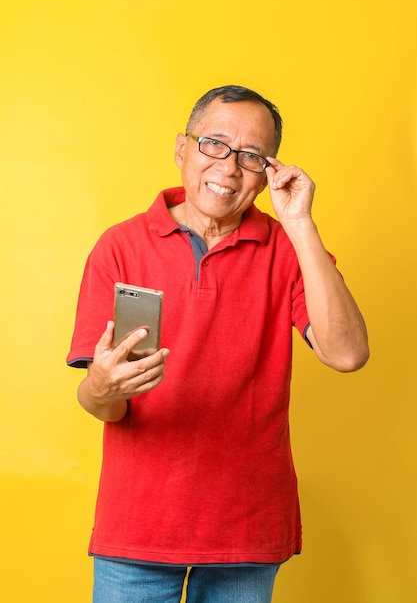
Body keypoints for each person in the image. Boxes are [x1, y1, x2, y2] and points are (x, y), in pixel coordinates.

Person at [67, 85, 369, 603]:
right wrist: (102, 384)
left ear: (269, 170)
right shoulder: (119, 246)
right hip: (137, 529)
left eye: (252, 155)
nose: (229, 168)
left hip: (246, 531)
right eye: (214, 144)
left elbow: (347, 354)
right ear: (183, 149)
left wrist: (299, 224)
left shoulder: (287, 249)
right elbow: (105, 408)